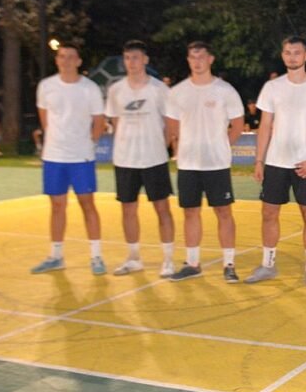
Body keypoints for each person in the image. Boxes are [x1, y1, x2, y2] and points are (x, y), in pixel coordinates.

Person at [246, 36, 306, 286]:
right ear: (283, 56)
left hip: (305, 164)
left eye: (297, 52)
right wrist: (259, 160)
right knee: (269, 213)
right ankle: (268, 265)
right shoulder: (272, 87)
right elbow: (265, 127)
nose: (292, 57)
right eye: (288, 52)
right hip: (275, 162)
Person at [166, 41, 245, 282]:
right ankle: (192, 263)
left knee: (223, 211)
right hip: (188, 164)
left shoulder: (225, 90)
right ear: (188, 60)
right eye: (193, 57)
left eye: (201, 56)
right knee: (190, 212)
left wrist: (220, 146)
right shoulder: (177, 92)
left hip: (216, 164)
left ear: (210, 59)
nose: (197, 61)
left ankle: (229, 264)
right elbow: (172, 127)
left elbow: (238, 125)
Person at [30, 43, 107, 275]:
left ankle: (96, 256)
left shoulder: (90, 88)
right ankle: (56, 256)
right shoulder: (46, 86)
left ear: (79, 61)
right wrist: (56, 141)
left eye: (71, 57)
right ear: (57, 60)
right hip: (54, 156)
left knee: (87, 204)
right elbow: (45, 119)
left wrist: (89, 144)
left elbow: (99, 122)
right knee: (57, 206)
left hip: (81, 156)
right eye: (62, 56)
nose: (66, 60)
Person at [104, 40, 176, 277]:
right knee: (128, 209)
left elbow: (170, 124)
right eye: (127, 58)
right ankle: (134, 258)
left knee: (162, 208)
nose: (131, 62)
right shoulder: (116, 90)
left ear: (145, 60)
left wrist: (161, 147)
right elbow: (115, 122)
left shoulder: (159, 89)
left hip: (154, 159)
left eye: (135, 57)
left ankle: (168, 260)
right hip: (125, 160)